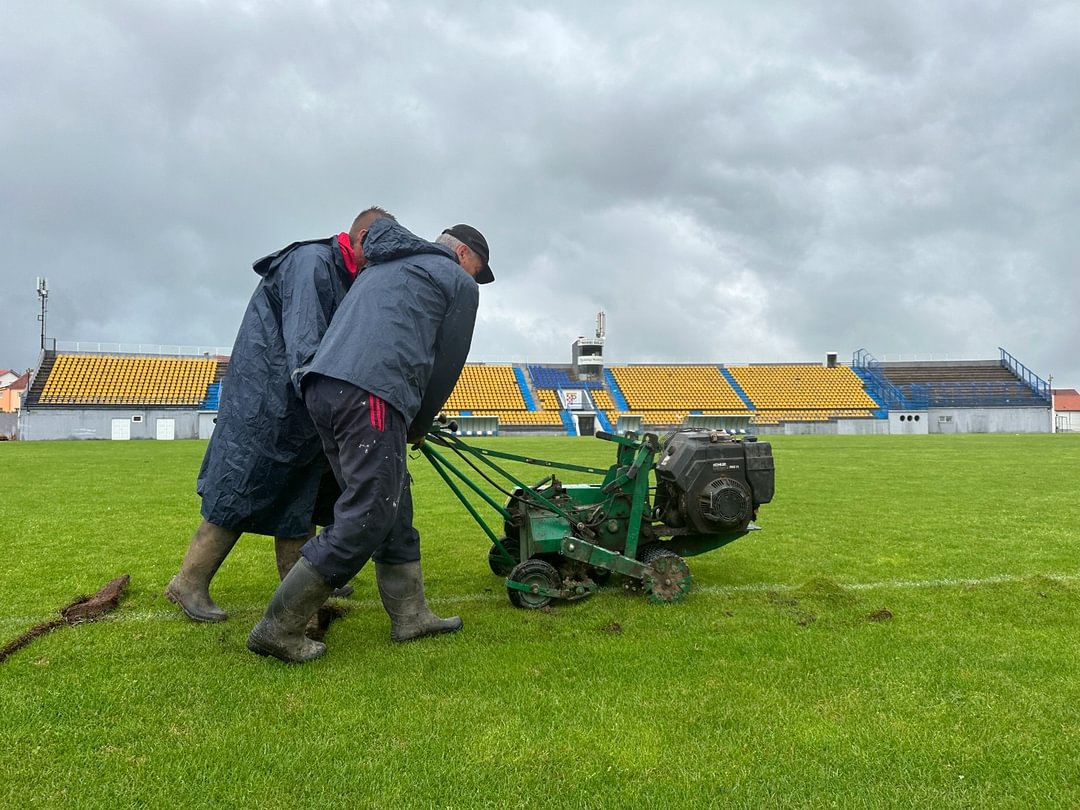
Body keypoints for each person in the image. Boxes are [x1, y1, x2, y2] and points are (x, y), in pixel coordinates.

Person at [246, 219, 493, 663]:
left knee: (390, 499)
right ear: (461, 255)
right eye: (478, 269)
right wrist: (419, 422)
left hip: (324, 388)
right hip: (371, 392)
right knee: (369, 512)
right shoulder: (455, 279)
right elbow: (446, 364)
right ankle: (278, 628)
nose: (476, 280)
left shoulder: (383, 266)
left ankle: (410, 615)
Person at [164, 207, 395, 623]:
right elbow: (305, 342)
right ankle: (188, 582)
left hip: (299, 404)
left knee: (300, 497)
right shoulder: (312, 263)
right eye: (376, 250)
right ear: (360, 237)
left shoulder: (347, 274)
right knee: (239, 490)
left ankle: (300, 584)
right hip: (267, 400)